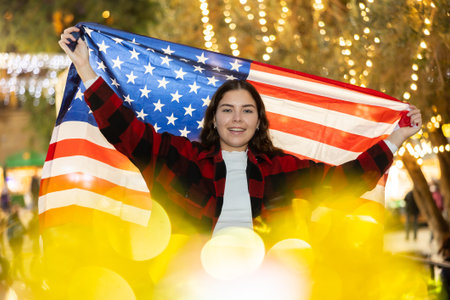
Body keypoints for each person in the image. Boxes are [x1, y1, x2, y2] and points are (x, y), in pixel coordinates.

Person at [58, 26, 422, 239]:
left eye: (247, 110)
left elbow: (343, 183)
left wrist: (395, 139)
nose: (237, 118)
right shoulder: (178, 157)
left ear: (259, 121)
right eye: (227, 110)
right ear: (214, 119)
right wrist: (86, 70)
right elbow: (127, 131)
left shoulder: (281, 169)